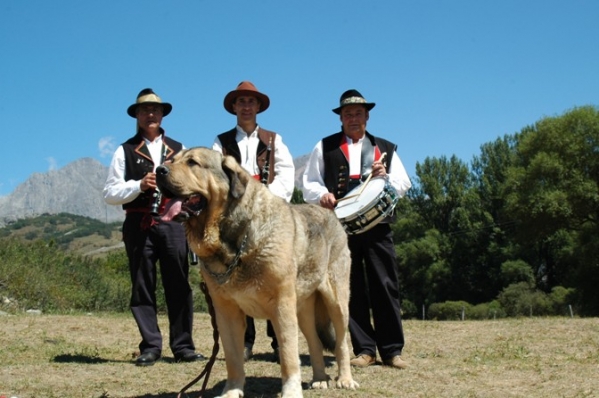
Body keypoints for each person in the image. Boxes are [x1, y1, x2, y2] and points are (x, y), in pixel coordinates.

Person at [301, 89, 411, 369]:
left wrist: (385, 178)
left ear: (367, 116)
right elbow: (309, 184)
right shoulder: (324, 147)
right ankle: (364, 349)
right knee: (351, 288)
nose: (353, 118)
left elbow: (403, 183)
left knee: (386, 285)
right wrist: (322, 195)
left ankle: (392, 350)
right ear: (341, 118)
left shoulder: (385, 147)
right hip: (339, 228)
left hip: (378, 226)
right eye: (348, 114)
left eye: (358, 113)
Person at [103, 88, 205, 366]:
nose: (151, 114)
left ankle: (183, 346)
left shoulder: (178, 149)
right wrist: (138, 185)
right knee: (142, 286)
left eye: (155, 110)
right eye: (145, 110)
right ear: (137, 115)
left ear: (162, 115)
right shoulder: (124, 150)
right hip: (139, 223)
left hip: (172, 223)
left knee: (179, 284)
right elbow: (110, 193)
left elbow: (193, 185)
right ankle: (150, 346)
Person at [213, 81, 295, 362]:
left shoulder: (275, 140)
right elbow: (216, 176)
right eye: (241, 102)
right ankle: (245, 343)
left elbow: (286, 174)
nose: (246, 106)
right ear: (234, 107)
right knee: (237, 276)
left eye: (251, 101)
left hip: (268, 216)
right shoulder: (221, 142)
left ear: (258, 107)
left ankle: (279, 343)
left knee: (273, 275)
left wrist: (266, 199)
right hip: (234, 218)